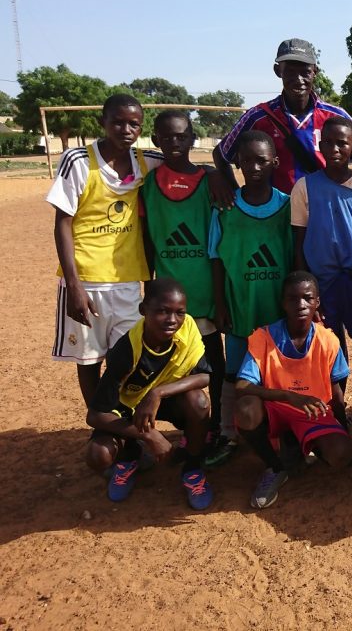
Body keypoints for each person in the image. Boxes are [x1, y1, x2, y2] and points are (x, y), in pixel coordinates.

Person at [48, 94, 163, 405]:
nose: (126, 129)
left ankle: (122, 420)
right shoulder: (78, 161)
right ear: (103, 123)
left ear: (141, 128)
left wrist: (213, 174)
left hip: (127, 281)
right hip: (85, 281)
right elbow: (62, 223)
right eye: (118, 122)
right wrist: (73, 286)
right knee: (88, 360)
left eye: (134, 124)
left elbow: (181, 163)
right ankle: (100, 422)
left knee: (127, 358)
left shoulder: (146, 161)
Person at [140, 110, 231, 465]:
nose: (175, 143)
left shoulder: (210, 183)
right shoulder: (148, 186)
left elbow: (218, 243)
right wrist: (148, 285)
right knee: (171, 365)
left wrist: (216, 172)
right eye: (167, 137)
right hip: (166, 298)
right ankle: (184, 428)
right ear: (156, 140)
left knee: (214, 364)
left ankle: (218, 428)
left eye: (182, 136)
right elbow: (147, 241)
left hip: (205, 295)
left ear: (193, 139)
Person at [85, 278, 213, 510]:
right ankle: (128, 459)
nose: (172, 320)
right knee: (98, 455)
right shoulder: (126, 351)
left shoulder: (187, 327)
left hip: (163, 401)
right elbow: (95, 415)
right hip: (127, 409)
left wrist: (157, 393)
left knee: (199, 402)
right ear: (144, 310)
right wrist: (149, 436)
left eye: (179, 313)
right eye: (163, 311)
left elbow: (205, 376)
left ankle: (192, 468)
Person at [234, 272, 352, 509]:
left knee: (341, 455)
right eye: (292, 298)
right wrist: (288, 396)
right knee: (245, 410)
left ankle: (297, 444)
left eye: (307, 298)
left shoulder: (328, 340)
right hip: (275, 409)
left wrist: (344, 430)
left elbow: (336, 391)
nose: (300, 304)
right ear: (283, 302)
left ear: (317, 302)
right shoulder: (265, 337)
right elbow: (241, 385)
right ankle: (275, 466)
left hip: (311, 412)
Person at [292, 116, 352, 402]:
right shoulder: (304, 188)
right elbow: (298, 246)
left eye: (342, 143)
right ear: (320, 145)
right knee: (332, 353)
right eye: (328, 142)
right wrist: (308, 296)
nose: (334, 148)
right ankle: (337, 415)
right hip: (323, 287)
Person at [211, 38, 352, 197]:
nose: (298, 80)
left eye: (305, 72)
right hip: (277, 216)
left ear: (315, 72)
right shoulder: (258, 116)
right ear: (278, 71)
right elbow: (221, 154)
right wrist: (235, 194)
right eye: (290, 72)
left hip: (323, 214)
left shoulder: (336, 116)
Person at [209, 130, 293, 429]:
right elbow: (216, 259)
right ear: (237, 164)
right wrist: (221, 305)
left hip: (276, 309)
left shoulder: (287, 206)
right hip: (240, 306)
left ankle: (281, 429)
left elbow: (296, 260)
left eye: (261, 161)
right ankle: (227, 433)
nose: (254, 168)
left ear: (275, 162)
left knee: (277, 370)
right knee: (234, 374)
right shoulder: (225, 208)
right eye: (246, 161)